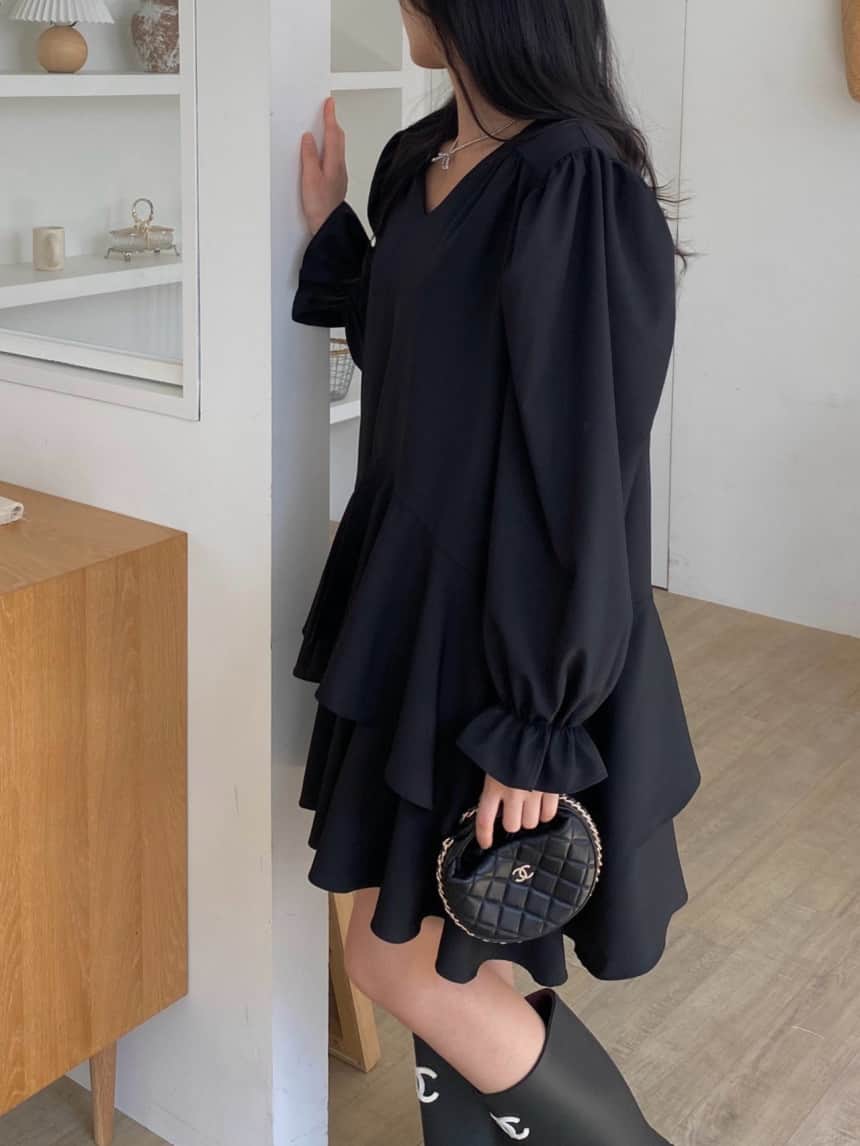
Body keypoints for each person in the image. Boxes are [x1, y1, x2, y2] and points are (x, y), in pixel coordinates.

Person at [291, 2, 701, 1142]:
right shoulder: (418, 157)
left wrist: (535, 717)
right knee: (447, 944)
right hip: (411, 605)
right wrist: (333, 231)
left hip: (501, 629)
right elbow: (413, 354)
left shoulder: (573, 182)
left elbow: (582, 472)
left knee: (395, 960)